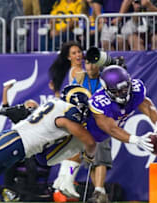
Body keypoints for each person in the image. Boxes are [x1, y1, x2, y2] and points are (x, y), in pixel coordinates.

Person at [85, 65, 157, 202]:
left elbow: (148, 106)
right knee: (86, 159)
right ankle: (70, 183)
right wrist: (136, 140)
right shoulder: (99, 102)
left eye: (125, 88)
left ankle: (99, 192)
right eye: (117, 91)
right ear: (107, 90)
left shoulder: (135, 87)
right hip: (90, 129)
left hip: (108, 129)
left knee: (98, 159)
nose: (123, 93)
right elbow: (111, 129)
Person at [52, 47, 108, 202]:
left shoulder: (83, 73)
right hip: (83, 118)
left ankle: (64, 181)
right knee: (77, 153)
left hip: (90, 119)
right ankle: (65, 182)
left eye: (79, 52)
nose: (78, 56)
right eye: (74, 53)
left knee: (80, 153)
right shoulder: (78, 73)